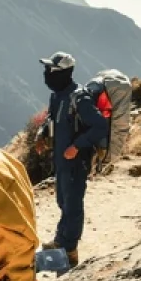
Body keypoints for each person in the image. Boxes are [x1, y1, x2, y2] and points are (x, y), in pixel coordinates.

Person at [37, 51, 109, 267]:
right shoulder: (57, 95)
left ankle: (70, 250)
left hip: (76, 162)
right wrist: (42, 134)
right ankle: (61, 239)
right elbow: (52, 118)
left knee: (73, 204)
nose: (47, 73)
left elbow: (100, 126)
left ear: (64, 73)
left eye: (51, 70)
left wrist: (77, 146)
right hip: (61, 160)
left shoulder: (80, 97)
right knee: (63, 200)